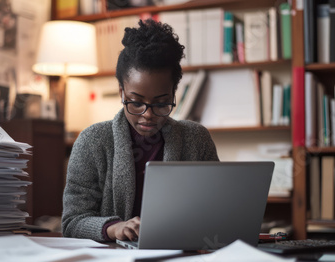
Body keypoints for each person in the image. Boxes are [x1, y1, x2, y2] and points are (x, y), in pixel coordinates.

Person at [62, 19, 219, 242]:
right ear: (121, 92)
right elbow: (72, 222)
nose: (148, 114)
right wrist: (115, 228)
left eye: (161, 103)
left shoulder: (197, 139)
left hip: (182, 255)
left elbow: (216, 210)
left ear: (174, 94)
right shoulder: (92, 141)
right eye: (135, 102)